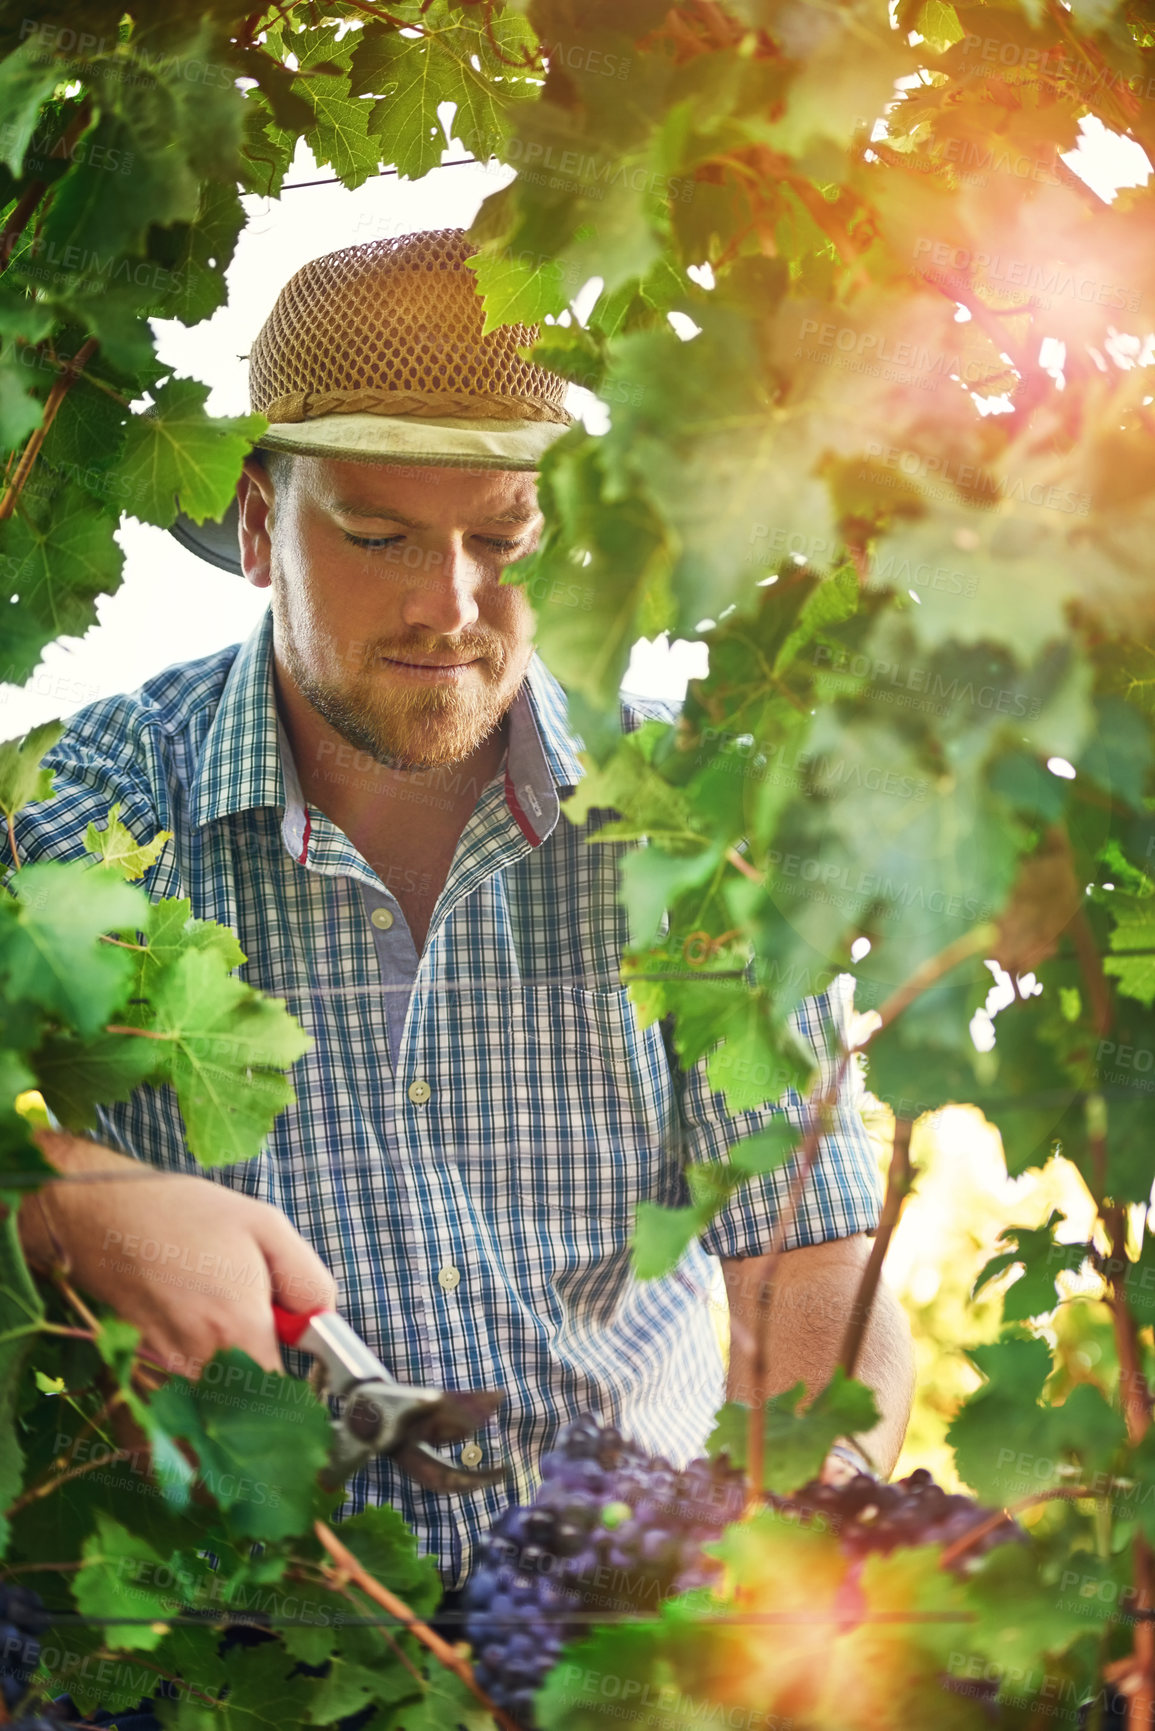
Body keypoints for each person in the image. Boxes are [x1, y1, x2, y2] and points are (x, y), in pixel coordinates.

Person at [10, 228, 914, 1600]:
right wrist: (64, 1199)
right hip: (223, 1643)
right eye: (379, 538)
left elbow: (805, 1292)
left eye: (505, 541)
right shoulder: (79, 811)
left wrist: (782, 1584)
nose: (451, 605)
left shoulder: (696, 822)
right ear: (260, 526)